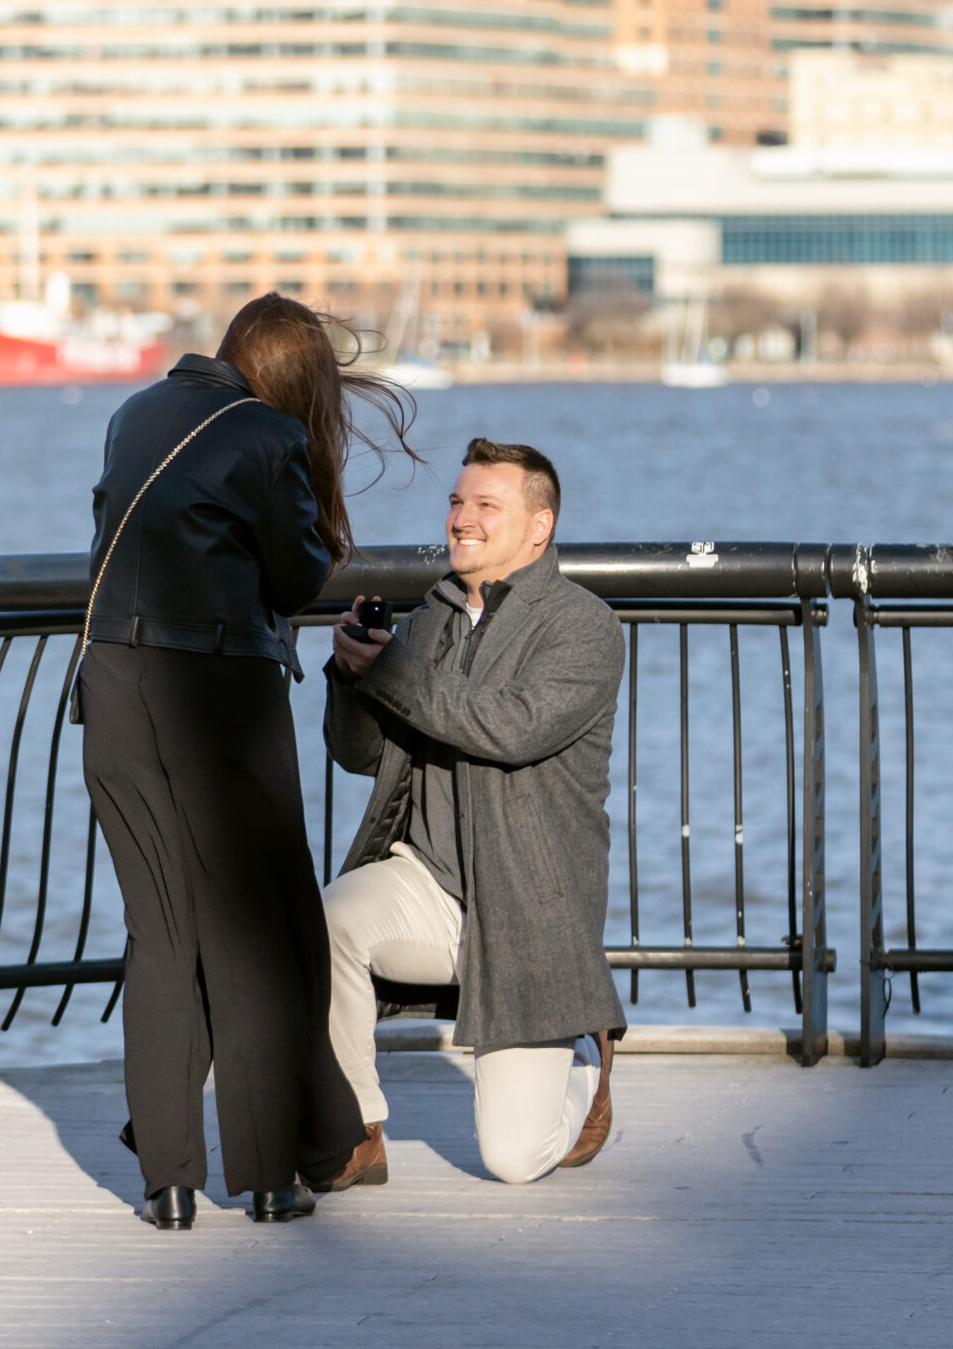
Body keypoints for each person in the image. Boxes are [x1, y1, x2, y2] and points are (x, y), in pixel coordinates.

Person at [78, 295, 410, 1230]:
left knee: (159, 930)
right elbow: (301, 576)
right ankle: (266, 1178)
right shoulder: (269, 436)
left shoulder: (134, 411)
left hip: (112, 681)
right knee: (254, 932)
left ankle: (169, 1184)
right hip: (219, 691)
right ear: (302, 381)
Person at [320, 436, 625, 1189]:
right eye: (457, 502)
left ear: (537, 526)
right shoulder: (429, 620)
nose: (462, 518)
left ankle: (583, 1068)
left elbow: (509, 728)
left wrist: (389, 673)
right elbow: (362, 755)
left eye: (486, 505)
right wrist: (350, 675)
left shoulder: (582, 627)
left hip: (526, 913)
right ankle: (357, 1129)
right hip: (429, 882)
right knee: (328, 917)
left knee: (512, 1161)